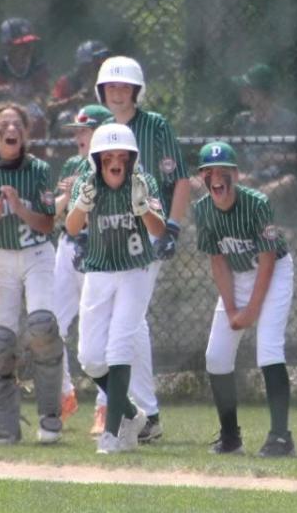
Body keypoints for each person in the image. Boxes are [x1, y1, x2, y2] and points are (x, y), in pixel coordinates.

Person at [95, 55, 190, 443]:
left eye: (124, 86)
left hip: (148, 232)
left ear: (136, 91)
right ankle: (141, 412)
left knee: (128, 321)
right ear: (102, 92)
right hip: (110, 236)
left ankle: (142, 413)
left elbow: (180, 181)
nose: (117, 92)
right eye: (110, 87)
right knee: (130, 323)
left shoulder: (154, 127)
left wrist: (172, 228)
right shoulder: (102, 130)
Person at [65, 123, 166, 454]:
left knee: (120, 346)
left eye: (121, 155)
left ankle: (112, 434)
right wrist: (80, 204)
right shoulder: (88, 181)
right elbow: (71, 226)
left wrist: (145, 209)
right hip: (99, 271)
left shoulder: (143, 182)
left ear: (131, 157)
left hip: (135, 270)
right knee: (91, 358)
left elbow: (159, 229)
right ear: (97, 159)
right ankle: (132, 414)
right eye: (108, 156)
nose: (115, 161)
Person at [0, 102, 60, 445]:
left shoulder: (38, 170)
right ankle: (7, 427)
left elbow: (48, 223)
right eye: (3, 125)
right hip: (1, 257)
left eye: (17, 124)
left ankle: (50, 418)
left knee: (42, 328)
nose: (11, 129)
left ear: (25, 133)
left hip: (36, 253)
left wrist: (20, 208)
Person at [194, 141, 296, 457]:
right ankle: (230, 437)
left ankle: (281, 437)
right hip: (236, 278)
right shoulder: (202, 209)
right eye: (209, 172)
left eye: (224, 171)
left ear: (236, 175)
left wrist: (251, 309)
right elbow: (217, 260)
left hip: (274, 271)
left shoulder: (256, 204)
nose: (217, 177)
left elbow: (267, 258)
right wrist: (231, 309)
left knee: (268, 350)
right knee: (216, 356)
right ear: (202, 178)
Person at [51, 104, 115, 431]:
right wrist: (66, 196)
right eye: (77, 131)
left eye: (84, 130)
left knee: (100, 334)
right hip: (68, 249)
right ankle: (64, 395)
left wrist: (86, 187)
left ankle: (106, 405)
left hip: (100, 252)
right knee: (51, 326)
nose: (78, 137)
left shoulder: (117, 166)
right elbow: (57, 212)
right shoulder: (73, 164)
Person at [229, 63, 297, 203]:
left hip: (280, 184)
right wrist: (242, 177)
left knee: (287, 182)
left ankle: (249, 204)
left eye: (249, 88)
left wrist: (278, 158)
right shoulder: (241, 122)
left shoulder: (289, 121)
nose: (243, 91)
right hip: (250, 181)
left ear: (264, 93)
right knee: (196, 182)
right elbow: (235, 163)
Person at [0, 18, 51, 148]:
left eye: (29, 44)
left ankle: (37, 160)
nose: (27, 49)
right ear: (7, 46)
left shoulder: (38, 66)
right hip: (6, 111)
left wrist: (21, 96)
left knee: (36, 116)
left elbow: (42, 99)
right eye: (20, 45)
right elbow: (0, 100)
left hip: (31, 109)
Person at [47, 40, 111, 129]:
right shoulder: (68, 81)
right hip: (76, 122)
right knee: (65, 118)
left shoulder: (110, 82)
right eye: (97, 60)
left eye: (104, 60)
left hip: (103, 121)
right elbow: (50, 108)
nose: (101, 64)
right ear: (83, 64)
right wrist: (74, 100)